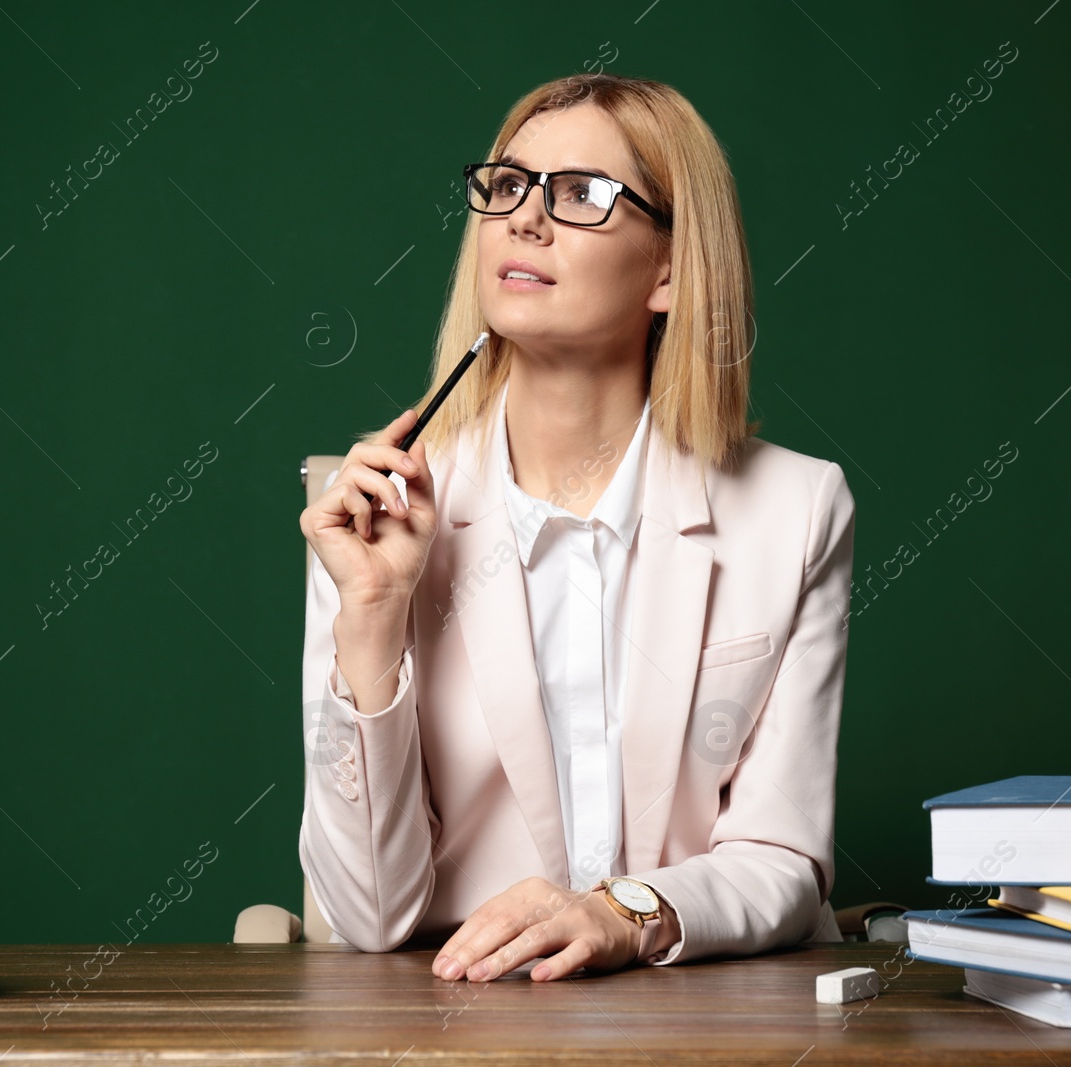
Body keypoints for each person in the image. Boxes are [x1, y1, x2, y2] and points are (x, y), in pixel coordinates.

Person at [297, 73, 855, 984]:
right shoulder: (377, 517)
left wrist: (621, 912)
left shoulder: (796, 510)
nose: (525, 219)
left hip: (707, 1022)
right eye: (507, 187)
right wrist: (371, 616)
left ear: (671, 269)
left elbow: (785, 860)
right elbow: (369, 915)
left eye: (582, 195)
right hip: (460, 1022)